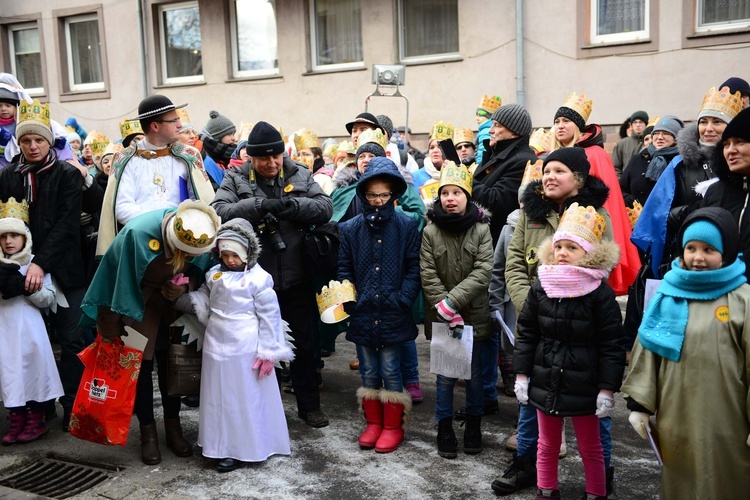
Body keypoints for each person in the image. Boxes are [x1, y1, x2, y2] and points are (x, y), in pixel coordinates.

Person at [495, 148, 617, 496]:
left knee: (593, 412)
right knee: (533, 399)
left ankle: (601, 475)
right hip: (539, 318)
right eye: (546, 170)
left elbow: (600, 268)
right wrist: (535, 302)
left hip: (582, 326)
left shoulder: (599, 215)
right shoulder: (528, 213)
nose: (549, 176)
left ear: (578, 178)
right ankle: (526, 464)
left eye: (559, 171)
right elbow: (515, 265)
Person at [211, 121, 333, 428]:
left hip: (298, 275)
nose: (271, 163)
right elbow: (219, 210)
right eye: (263, 158)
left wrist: (292, 206)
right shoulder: (236, 177)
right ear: (250, 158)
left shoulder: (300, 173)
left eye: (276, 156)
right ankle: (269, 408)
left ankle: (309, 406)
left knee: (304, 345)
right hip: (254, 282)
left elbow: (325, 207)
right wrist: (256, 206)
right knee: (262, 349)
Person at [622, 207, 750, 498]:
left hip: (729, 417)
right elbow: (648, 351)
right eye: (691, 248)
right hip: (676, 416)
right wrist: (640, 406)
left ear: (727, 252)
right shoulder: (668, 295)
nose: (698, 257)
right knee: (681, 478)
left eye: (709, 249)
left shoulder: (743, 299)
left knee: (727, 480)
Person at [80, 200, 220, 464]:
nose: (190, 258)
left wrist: (185, 287)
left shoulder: (202, 228)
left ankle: (173, 428)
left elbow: (201, 273)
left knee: (173, 364)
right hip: (136, 301)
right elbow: (112, 278)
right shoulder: (137, 234)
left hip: (173, 305)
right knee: (140, 368)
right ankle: (148, 434)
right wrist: (109, 328)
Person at [513, 202, 625, 500]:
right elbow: (528, 334)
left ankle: (596, 493)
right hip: (546, 378)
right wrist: (522, 374)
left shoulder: (599, 293)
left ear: (588, 254)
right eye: (559, 246)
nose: (562, 252)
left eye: (572, 248)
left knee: (591, 446)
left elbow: (611, 345)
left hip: (584, 385)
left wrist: (607, 389)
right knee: (547, 444)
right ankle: (546, 490)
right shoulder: (542, 286)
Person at [174, 218, 294, 472]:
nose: (230, 260)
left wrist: (269, 351)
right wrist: (183, 297)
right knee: (218, 396)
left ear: (248, 252)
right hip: (216, 345)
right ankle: (218, 445)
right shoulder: (215, 275)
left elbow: (270, 317)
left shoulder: (259, 280)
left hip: (246, 348)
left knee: (244, 397)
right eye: (225, 254)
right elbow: (204, 301)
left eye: (235, 255)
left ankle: (244, 447)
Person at [0, 99, 89, 431]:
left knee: (73, 338)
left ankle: (72, 405)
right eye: (26, 140)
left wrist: (41, 263)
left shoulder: (66, 174)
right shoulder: (8, 176)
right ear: (19, 144)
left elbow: (67, 224)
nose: (33, 146)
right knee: (30, 342)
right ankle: (36, 406)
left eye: (38, 139)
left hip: (65, 268)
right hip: (19, 269)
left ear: (49, 141)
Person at [338, 156, 421, 453]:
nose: (378, 200)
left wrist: (402, 299)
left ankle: (392, 425)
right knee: (369, 371)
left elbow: (414, 268)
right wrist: (350, 300)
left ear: (394, 194)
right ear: (363, 194)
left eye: (384, 194)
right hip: (362, 311)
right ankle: (373, 423)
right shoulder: (350, 228)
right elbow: (344, 268)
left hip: (393, 311)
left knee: (391, 368)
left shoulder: (406, 225)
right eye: (372, 194)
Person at [420, 161, 493, 458]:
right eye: (445, 193)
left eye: (457, 193)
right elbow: (427, 271)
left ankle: (474, 424)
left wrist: (454, 301)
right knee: (446, 375)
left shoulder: (481, 229)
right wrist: (444, 304)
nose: (450, 198)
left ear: (468, 196)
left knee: (475, 376)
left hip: (473, 315)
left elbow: (484, 269)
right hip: (443, 316)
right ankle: (444, 426)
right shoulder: (430, 231)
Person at [632, 86, 743, 278]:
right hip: (691, 257)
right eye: (703, 122)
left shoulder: (740, 163)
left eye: (717, 122)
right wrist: (692, 211)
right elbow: (659, 217)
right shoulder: (679, 164)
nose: (708, 129)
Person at [96, 94, 215, 258]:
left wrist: (178, 227)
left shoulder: (189, 156)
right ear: (155, 126)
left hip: (185, 241)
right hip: (142, 243)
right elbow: (122, 207)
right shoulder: (126, 160)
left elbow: (201, 201)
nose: (180, 125)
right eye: (174, 121)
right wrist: (161, 225)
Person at [550, 91, 640, 297]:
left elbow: (608, 203)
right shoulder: (554, 155)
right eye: (557, 121)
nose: (560, 125)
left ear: (579, 127)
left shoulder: (595, 154)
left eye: (566, 121)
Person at [0, 200, 62, 445]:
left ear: (25, 238)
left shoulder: (35, 264)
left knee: (32, 370)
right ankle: (16, 417)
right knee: (10, 371)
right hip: (5, 329)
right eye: (4, 236)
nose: (8, 241)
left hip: (30, 329)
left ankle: (36, 417)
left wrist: (27, 288)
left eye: (14, 235)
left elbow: (49, 297)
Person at [472, 103, 537, 245]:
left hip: (498, 243)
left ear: (514, 132)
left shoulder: (522, 161)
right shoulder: (498, 155)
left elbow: (496, 203)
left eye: (497, 125)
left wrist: (464, 180)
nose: (490, 130)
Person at [700, 106, 750, 277]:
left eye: (740, 142)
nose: (731, 150)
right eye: (726, 144)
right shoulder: (715, 192)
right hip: (721, 292)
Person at [620, 115, 684, 210]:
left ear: (676, 138)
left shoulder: (681, 161)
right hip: (638, 219)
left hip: (670, 219)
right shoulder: (638, 158)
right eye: (656, 133)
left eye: (666, 133)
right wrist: (628, 199)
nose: (660, 137)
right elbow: (621, 188)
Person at [412, 121, 453, 190]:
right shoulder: (416, 176)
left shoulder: (458, 173)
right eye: (432, 147)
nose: (435, 151)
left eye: (439, 147)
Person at [611, 110, 648, 177]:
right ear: (631, 125)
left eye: (641, 122)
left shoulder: (650, 142)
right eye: (635, 122)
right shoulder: (621, 144)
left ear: (646, 124)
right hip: (626, 183)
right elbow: (615, 167)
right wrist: (620, 181)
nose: (637, 125)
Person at [475, 94, 503, 165]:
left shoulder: (485, 132)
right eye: (477, 115)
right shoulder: (484, 130)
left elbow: (483, 151)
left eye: (481, 115)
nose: (477, 118)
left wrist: (479, 165)